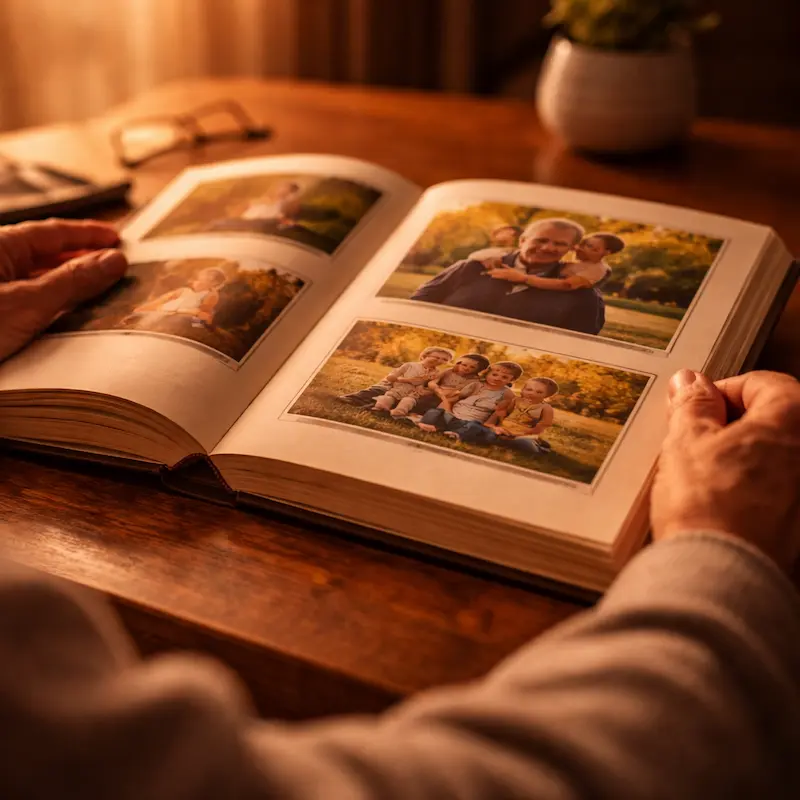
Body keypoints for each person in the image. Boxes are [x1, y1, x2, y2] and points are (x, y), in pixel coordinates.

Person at [1, 218, 800, 799]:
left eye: (565, 247)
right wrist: (717, 551)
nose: (553, 253)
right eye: (546, 244)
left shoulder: (565, 297)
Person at [410, 217, 605, 335]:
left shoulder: (582, 294)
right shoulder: (472, 267)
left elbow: (582, 339)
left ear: (571, 249)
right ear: (522, 241)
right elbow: (418, 304)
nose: (547, 248)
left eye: (559, 244)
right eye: (541, 240)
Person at [417, 360, 520, 443]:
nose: (497, 378)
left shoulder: (507, 394)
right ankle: (428, 425)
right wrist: (446, 411)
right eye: (494, 374)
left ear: (512, 380)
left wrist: (495, 426)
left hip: (471, 422)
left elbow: (500, 413)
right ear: (488, 373)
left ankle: (455, 435)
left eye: (504, 377)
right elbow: (455, 399)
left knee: (473, 426)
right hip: (453, 416)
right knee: (434, 412)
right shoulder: (476, 385)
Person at [125, 266, 227, 329]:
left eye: (211, 279)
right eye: (198, 280)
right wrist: (144, 308)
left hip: (182, 315)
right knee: (146, 318)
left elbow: (202, 314)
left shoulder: (209, 296)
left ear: (214, 284)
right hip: (165, 310)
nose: (198, 283)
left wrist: (190, 313)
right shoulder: (184, 291)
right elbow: (162, 300)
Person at [490, 376, 558, 454]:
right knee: (488, 433)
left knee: (524, 443)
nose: (532, 393)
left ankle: (539, 447)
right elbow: (505, 414)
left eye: (539, 392)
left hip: (525, 434)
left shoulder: (546, 408)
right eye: (529, 389)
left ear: (547, 395)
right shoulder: (516, 400)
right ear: (523, 389)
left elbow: (543, 425)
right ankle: (503, 441)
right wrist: (498, 426)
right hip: (504, 429)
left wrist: (520, 434)